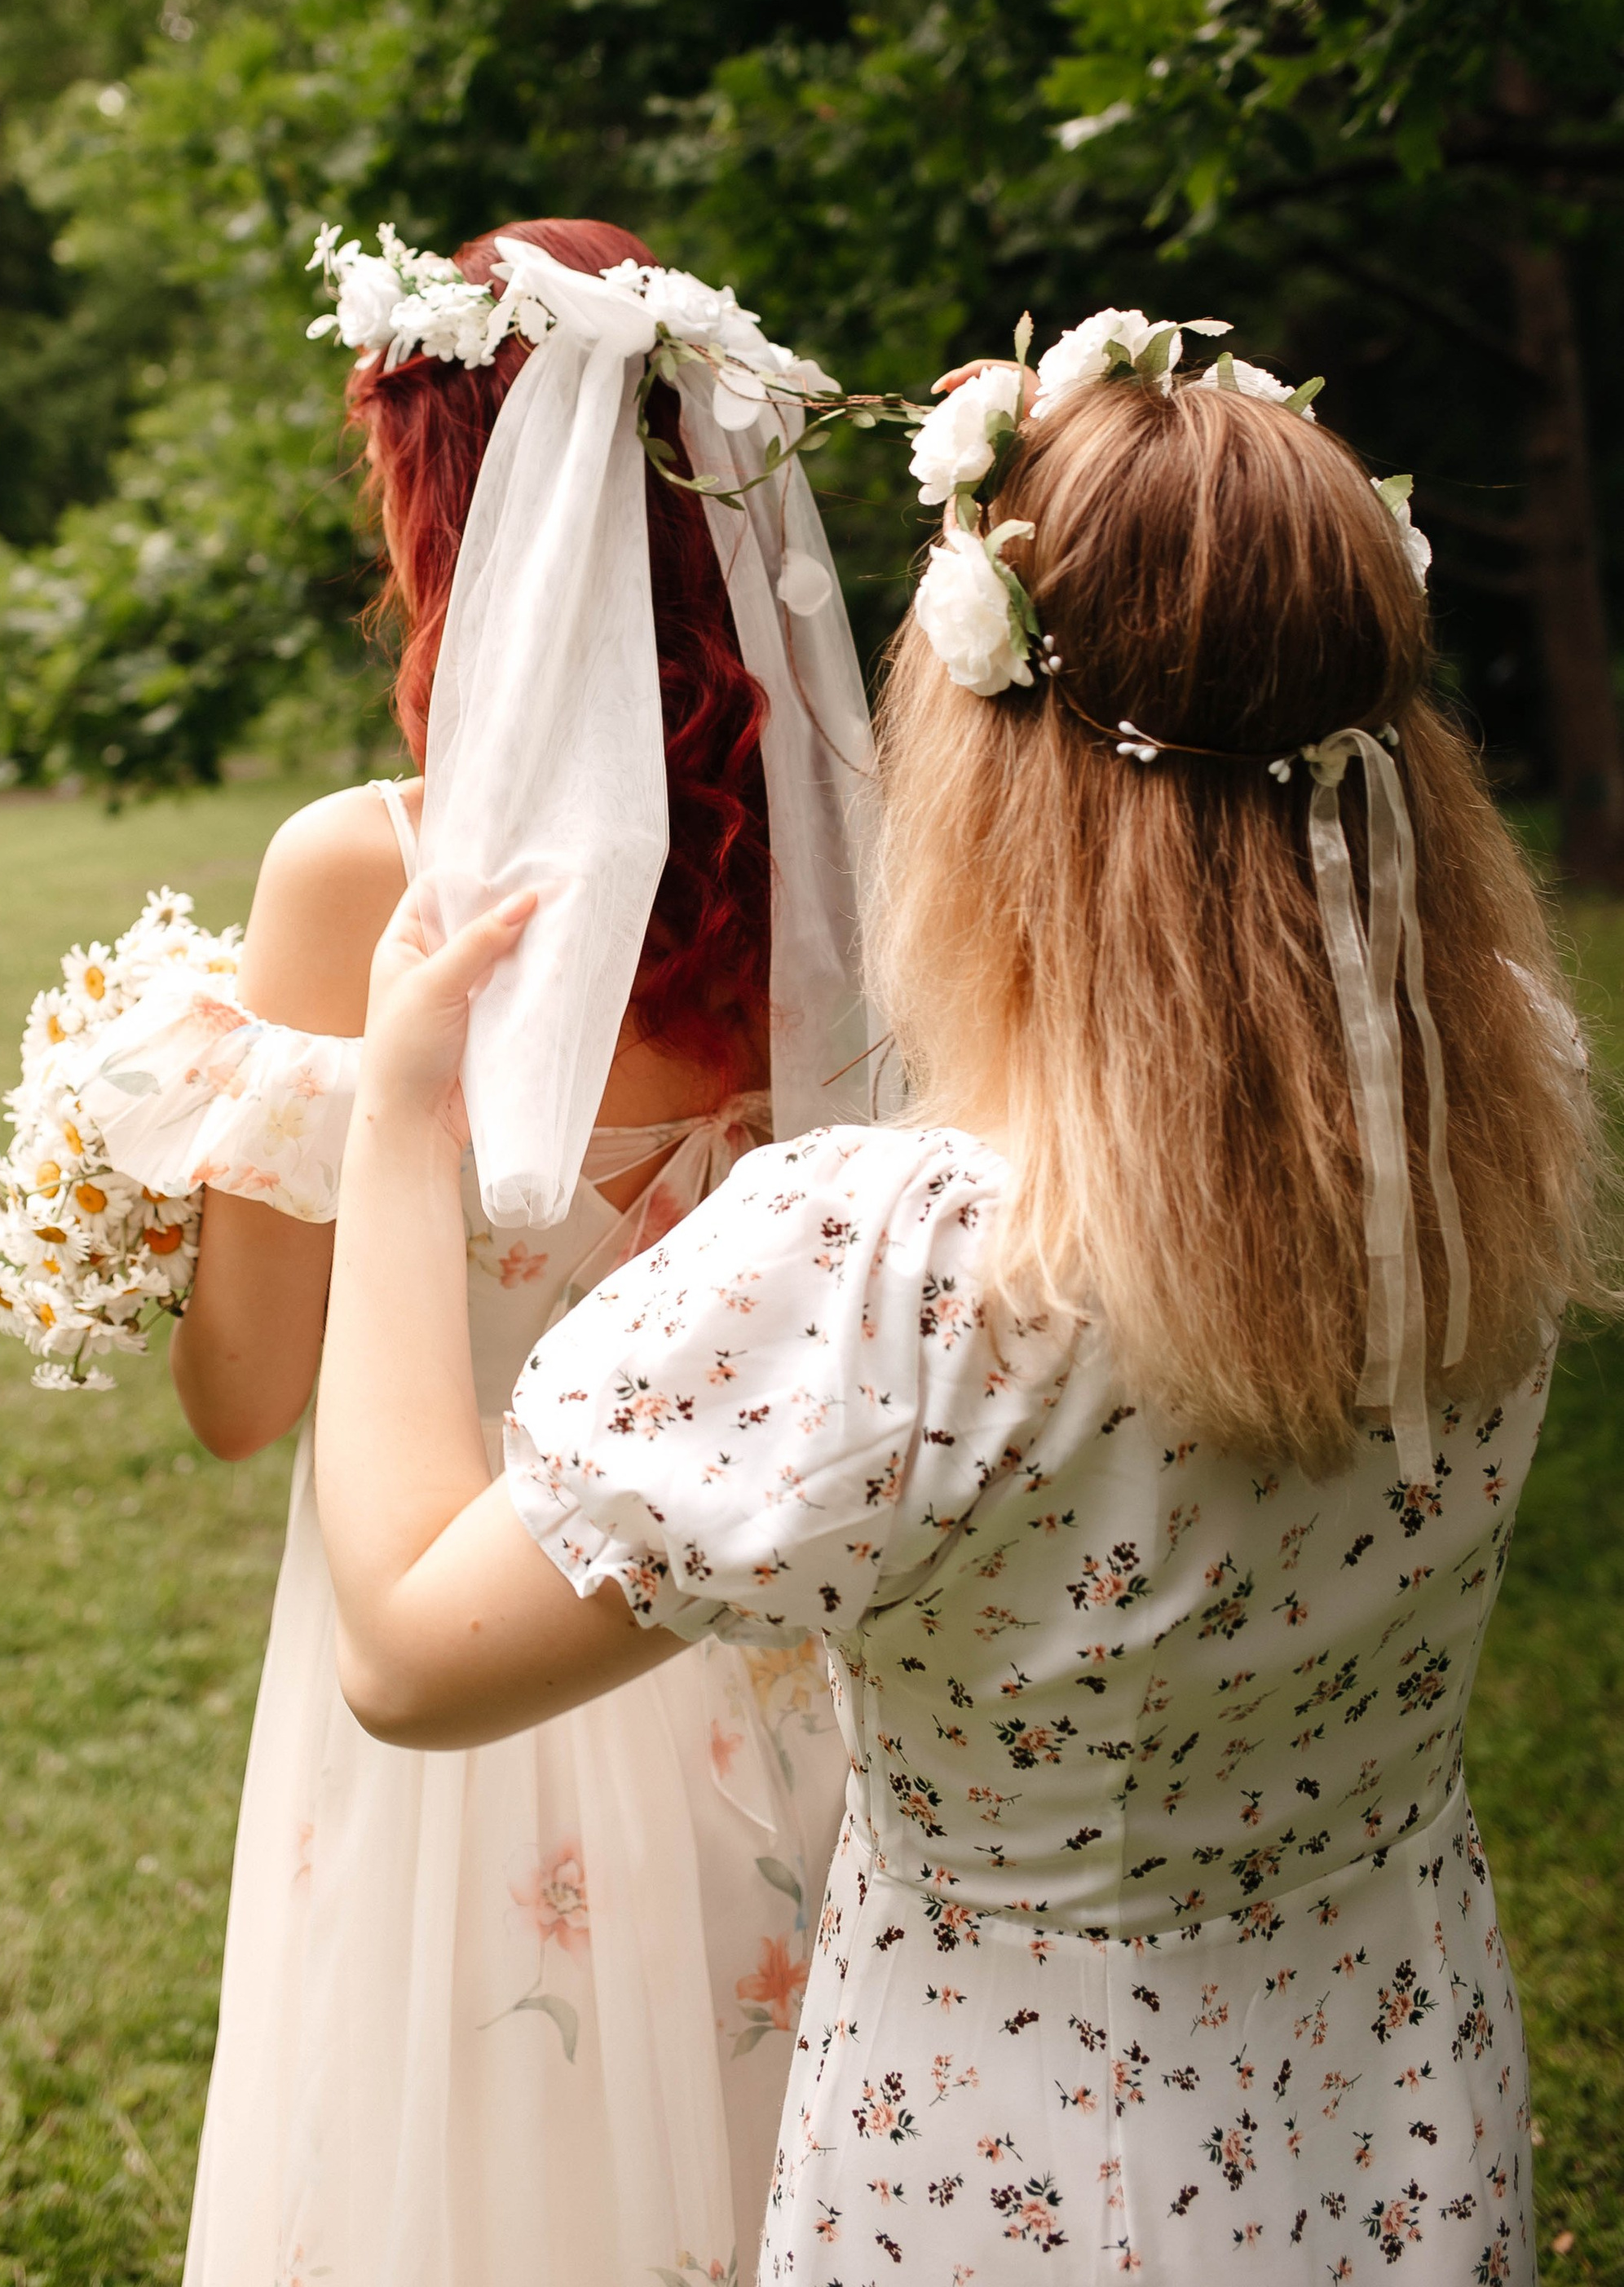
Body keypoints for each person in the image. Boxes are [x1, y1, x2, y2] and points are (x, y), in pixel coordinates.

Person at [311, 312, 1602, 2285]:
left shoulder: (894, 1268)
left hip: (1023, 2156)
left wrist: (399, 1122)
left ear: (995, 757)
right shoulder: (1485, 1082)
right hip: (1390, 2085)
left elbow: (408, 1655)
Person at [73, 218, 877, 2285]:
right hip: (788, 1650)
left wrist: (169, 1161)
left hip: (458, 1671)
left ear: (443, 507)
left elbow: (243, 1400)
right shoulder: (854, 866)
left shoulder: (366, 878)